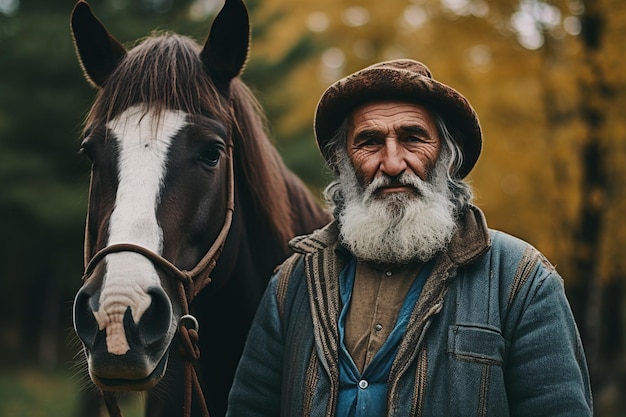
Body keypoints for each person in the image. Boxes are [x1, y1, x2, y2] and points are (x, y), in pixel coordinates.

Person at [225, 59, 592, 416]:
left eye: (413, 139)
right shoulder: (292, 282)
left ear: (448, 158)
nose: (393, 163)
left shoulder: (521, 281)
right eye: (369, 142)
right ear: (343, 164)